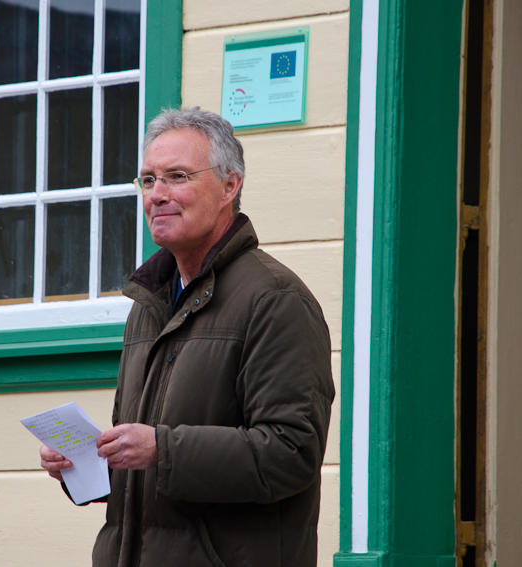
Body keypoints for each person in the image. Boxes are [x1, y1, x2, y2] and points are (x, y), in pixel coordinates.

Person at [40, 107, 334, 567]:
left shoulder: (275, 299)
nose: (158, 194)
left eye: (176, 176)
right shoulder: (149, 305)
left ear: (229, 186)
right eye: (148, 180)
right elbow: (147, 472)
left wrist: (163, 447)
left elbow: (291, 454)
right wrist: (83, 464)